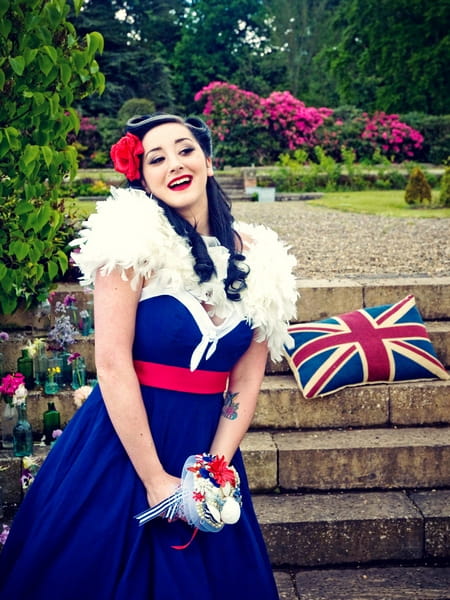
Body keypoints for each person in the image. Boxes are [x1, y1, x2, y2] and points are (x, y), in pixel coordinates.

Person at [0, 113, 297, 599]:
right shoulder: (130, 245)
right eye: (156, 158)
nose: (174, 164)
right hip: (124, 443)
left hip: (206, 443)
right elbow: (112, 362)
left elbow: (245, 380)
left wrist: (213, 472)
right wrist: (157, 481)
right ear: (141, 176)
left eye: (185, 150)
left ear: (207, 160)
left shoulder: (262, 256)